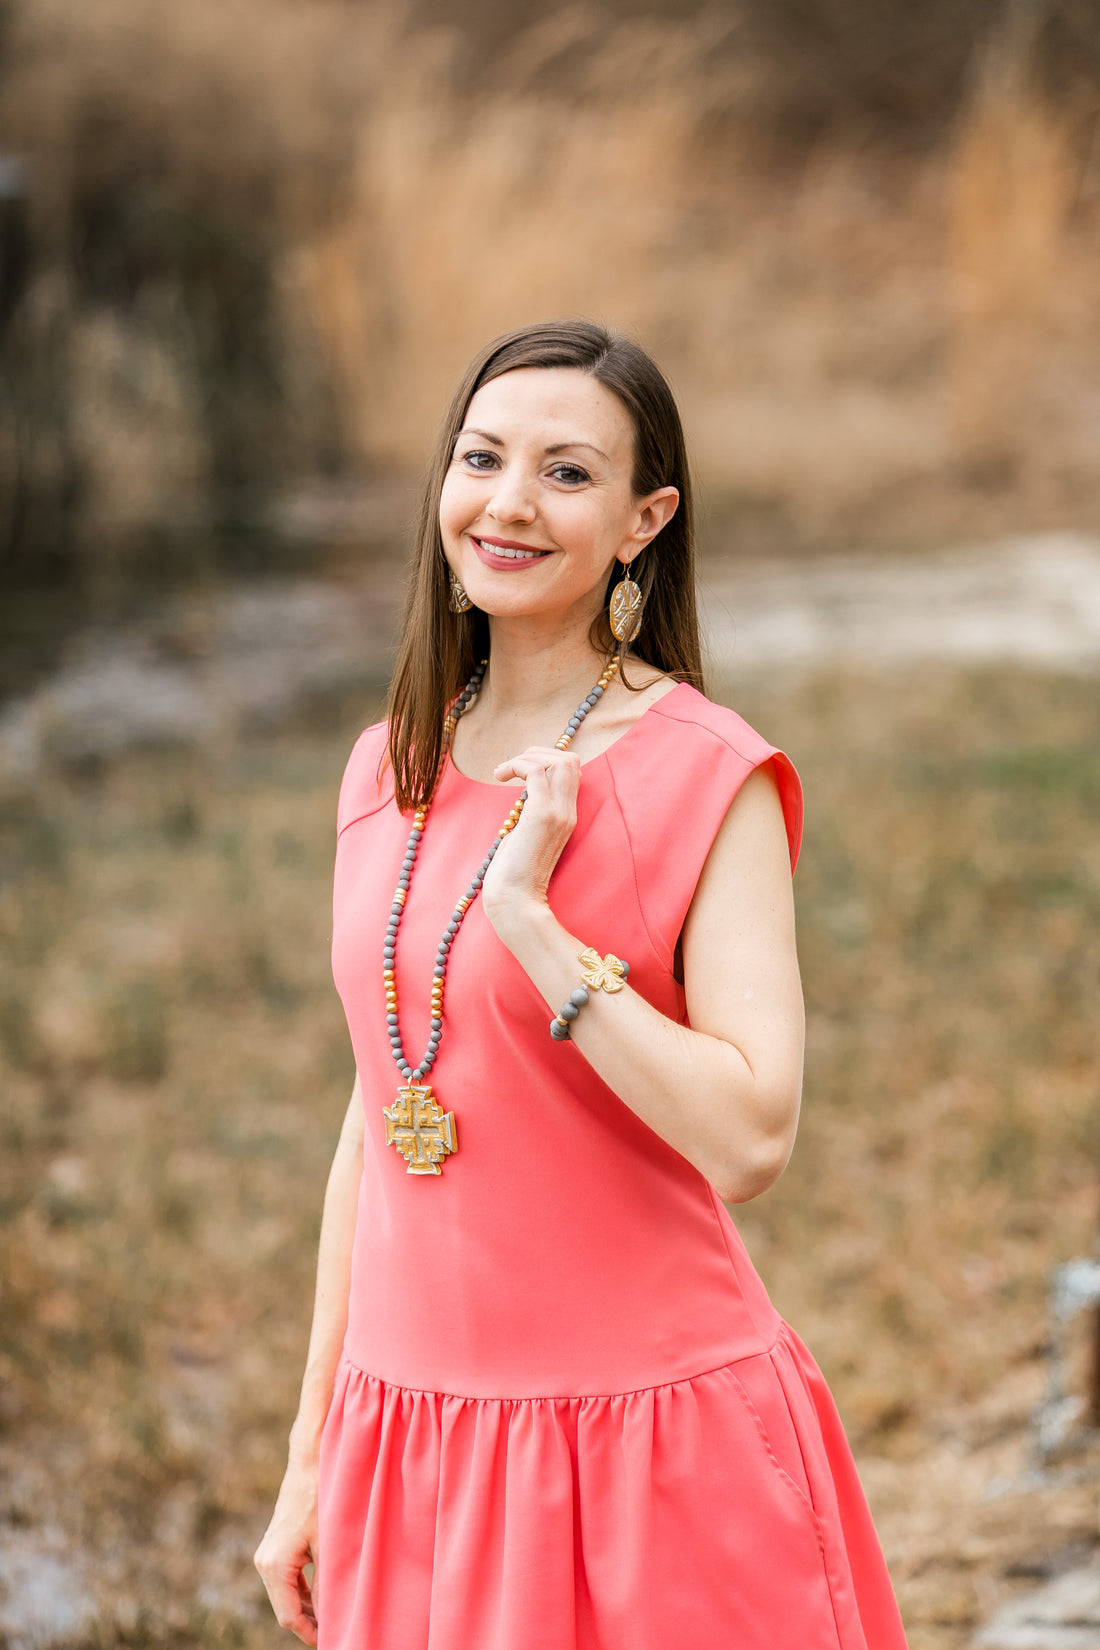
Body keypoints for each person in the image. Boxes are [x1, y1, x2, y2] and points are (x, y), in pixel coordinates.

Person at [254, 320, 908, 1650]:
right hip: (416, 1446)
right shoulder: (386, 762)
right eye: (482, 458)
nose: (508, 503)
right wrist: (312, 1448)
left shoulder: (705, 770)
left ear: (642, 518)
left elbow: (749, 1134)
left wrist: (537, 932)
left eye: (566, 473)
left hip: (647, 1453)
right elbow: (382, 1107)